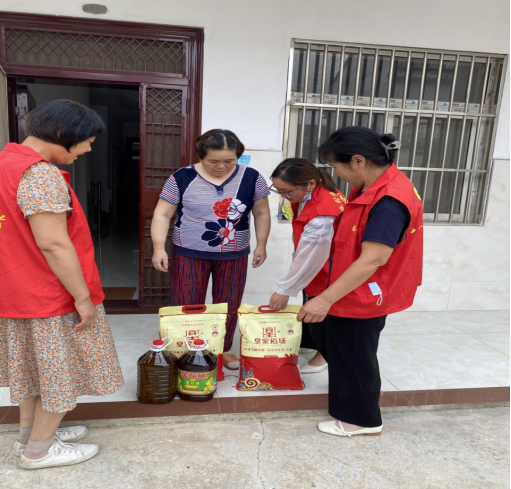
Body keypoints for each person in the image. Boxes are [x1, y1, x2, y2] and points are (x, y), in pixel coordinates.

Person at [0, 100, 124, 469]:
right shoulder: (40, 175)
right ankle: (39, 450)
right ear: (61, 135)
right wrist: (82, 298)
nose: (88, 149)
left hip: (17, 287)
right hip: (47, 292)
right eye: (86, 142)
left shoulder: (7, 161)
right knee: (60, 371)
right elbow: (53, 243)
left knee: (37, 369)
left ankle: (32, 433)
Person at [297, 127, 423, 437]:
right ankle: (350, 409)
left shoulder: (389, 201)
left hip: (366, 291)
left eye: (336, 166)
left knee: (355, 354)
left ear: (357, 161)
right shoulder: (373, 186)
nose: (335, 174)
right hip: (353, 287)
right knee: (342, 348)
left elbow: (373, 258)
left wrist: (325, 298)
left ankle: (362, 420)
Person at [151, 129, 271, 370]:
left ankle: (223, 349)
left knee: (228, 304)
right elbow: (163, 213)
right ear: (200, 156)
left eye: (229, 161)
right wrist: (158, 248)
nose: (221, 166)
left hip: (234, 252)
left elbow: (261, 212)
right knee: (185, 302)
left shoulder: (252, 177)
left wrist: (262, 244)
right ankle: (184, 348)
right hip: (188, 251)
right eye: (213, 161)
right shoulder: (181, 177)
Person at [267, 158, 346, 374]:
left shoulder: (324, 211)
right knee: (309, 300)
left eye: (287, 191)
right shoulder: (313, 193)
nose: (284, 196)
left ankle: (325, 353)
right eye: (279, 191)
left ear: (309, 183)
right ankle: (312, 344)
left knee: (322, 309)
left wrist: (284, 289)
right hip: (320, 263)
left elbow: (312, 256)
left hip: (329, 267)